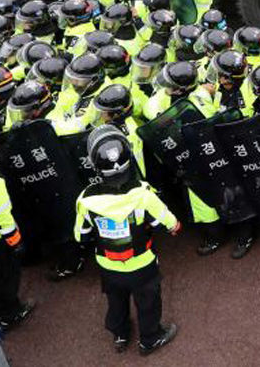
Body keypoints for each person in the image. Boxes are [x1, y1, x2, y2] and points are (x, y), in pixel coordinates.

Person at [74, 127, 180, 354]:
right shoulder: (143, 194)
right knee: (148, 303)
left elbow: (80, 236)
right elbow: (170, 224)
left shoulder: (86, 199)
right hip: (142, 264)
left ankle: (120, 335)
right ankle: (149, 339)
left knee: (116, 300)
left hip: (108, 265)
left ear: (95, 166)